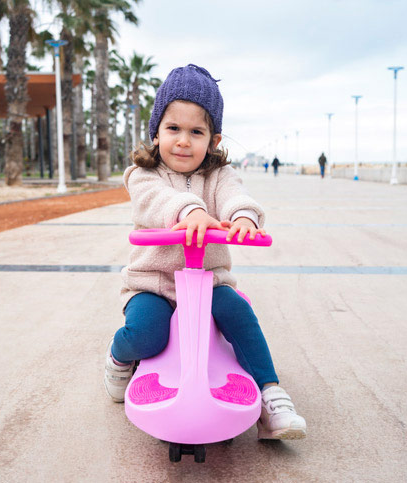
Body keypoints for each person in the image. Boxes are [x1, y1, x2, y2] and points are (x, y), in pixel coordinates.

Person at [104, 64, 306, 440]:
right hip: (154, 284)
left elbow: (235, 196)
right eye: (173, 129)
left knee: (239, 313)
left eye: (196, 131)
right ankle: (119, 357)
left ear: (212, 140)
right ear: (157, 132)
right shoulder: (143, 174)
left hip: (208, 281)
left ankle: (269, 394)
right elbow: (156, 200)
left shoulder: (218, 176)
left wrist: (243, 216)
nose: (183, 141)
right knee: (148, 332)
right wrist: (190, 211)